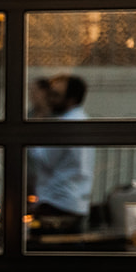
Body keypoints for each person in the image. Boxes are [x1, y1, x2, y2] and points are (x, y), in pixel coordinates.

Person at [28, 74, 93, 233]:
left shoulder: (65, 125)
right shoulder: (81, 119)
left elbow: (45, 158)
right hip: (75, 200)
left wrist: (29, 133)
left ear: (70, 100)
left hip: (57, 200)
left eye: (56, 95)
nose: (50, 99)